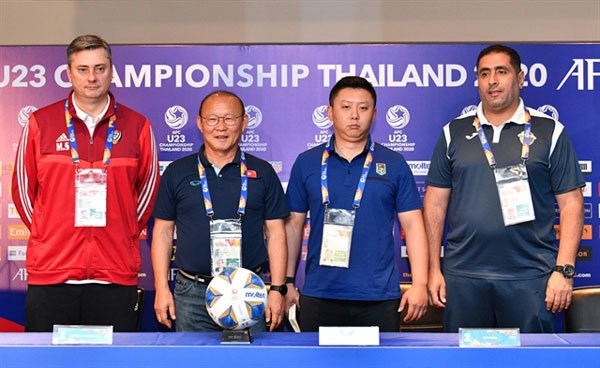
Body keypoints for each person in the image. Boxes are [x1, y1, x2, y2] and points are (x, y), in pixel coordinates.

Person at [424, 44, 584, 333]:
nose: (492, 81)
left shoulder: (550, 131)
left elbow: (572, 204)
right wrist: (433, 269)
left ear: (520, 78)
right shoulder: (454, 132)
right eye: (485, 73)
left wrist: (563, 271)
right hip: (464, 278)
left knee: (530, 363)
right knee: (466, 364)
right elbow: (435, 205)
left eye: (501, 71)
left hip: (531, 276)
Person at [12, 34, 160, 332]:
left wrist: (125, 230)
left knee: (112, 363)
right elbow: (23, 191)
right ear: (69, 73)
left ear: (111, 71)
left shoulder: (137, 125)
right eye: (83, 69)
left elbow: (147, 191)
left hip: (114, 274)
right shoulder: (41, 123)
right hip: (53, 274)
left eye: (100, 68)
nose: (92, 77)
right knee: (47, 363)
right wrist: (48, 231)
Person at [285, 76, 429, 332]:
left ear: (374, 114)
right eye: (346, 107)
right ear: (330, 112)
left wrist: (419, 284)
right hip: (321, 293)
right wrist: (285, 282)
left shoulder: (394, 163)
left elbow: (414, 226)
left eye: (363, 108)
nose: (354, 115)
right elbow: (293, 226)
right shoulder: (306, 162)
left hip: (379, 296)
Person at [152, 90, 289, 332]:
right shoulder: (177, 172)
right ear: (199, 123)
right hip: (192, 294)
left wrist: (277, 289)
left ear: (244, 122)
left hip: (248, 290)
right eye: (213, 119)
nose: (221, 127)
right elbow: (162, 232)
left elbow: (276, 234)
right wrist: (162, 288)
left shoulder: (263, 172)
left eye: (229, 119)